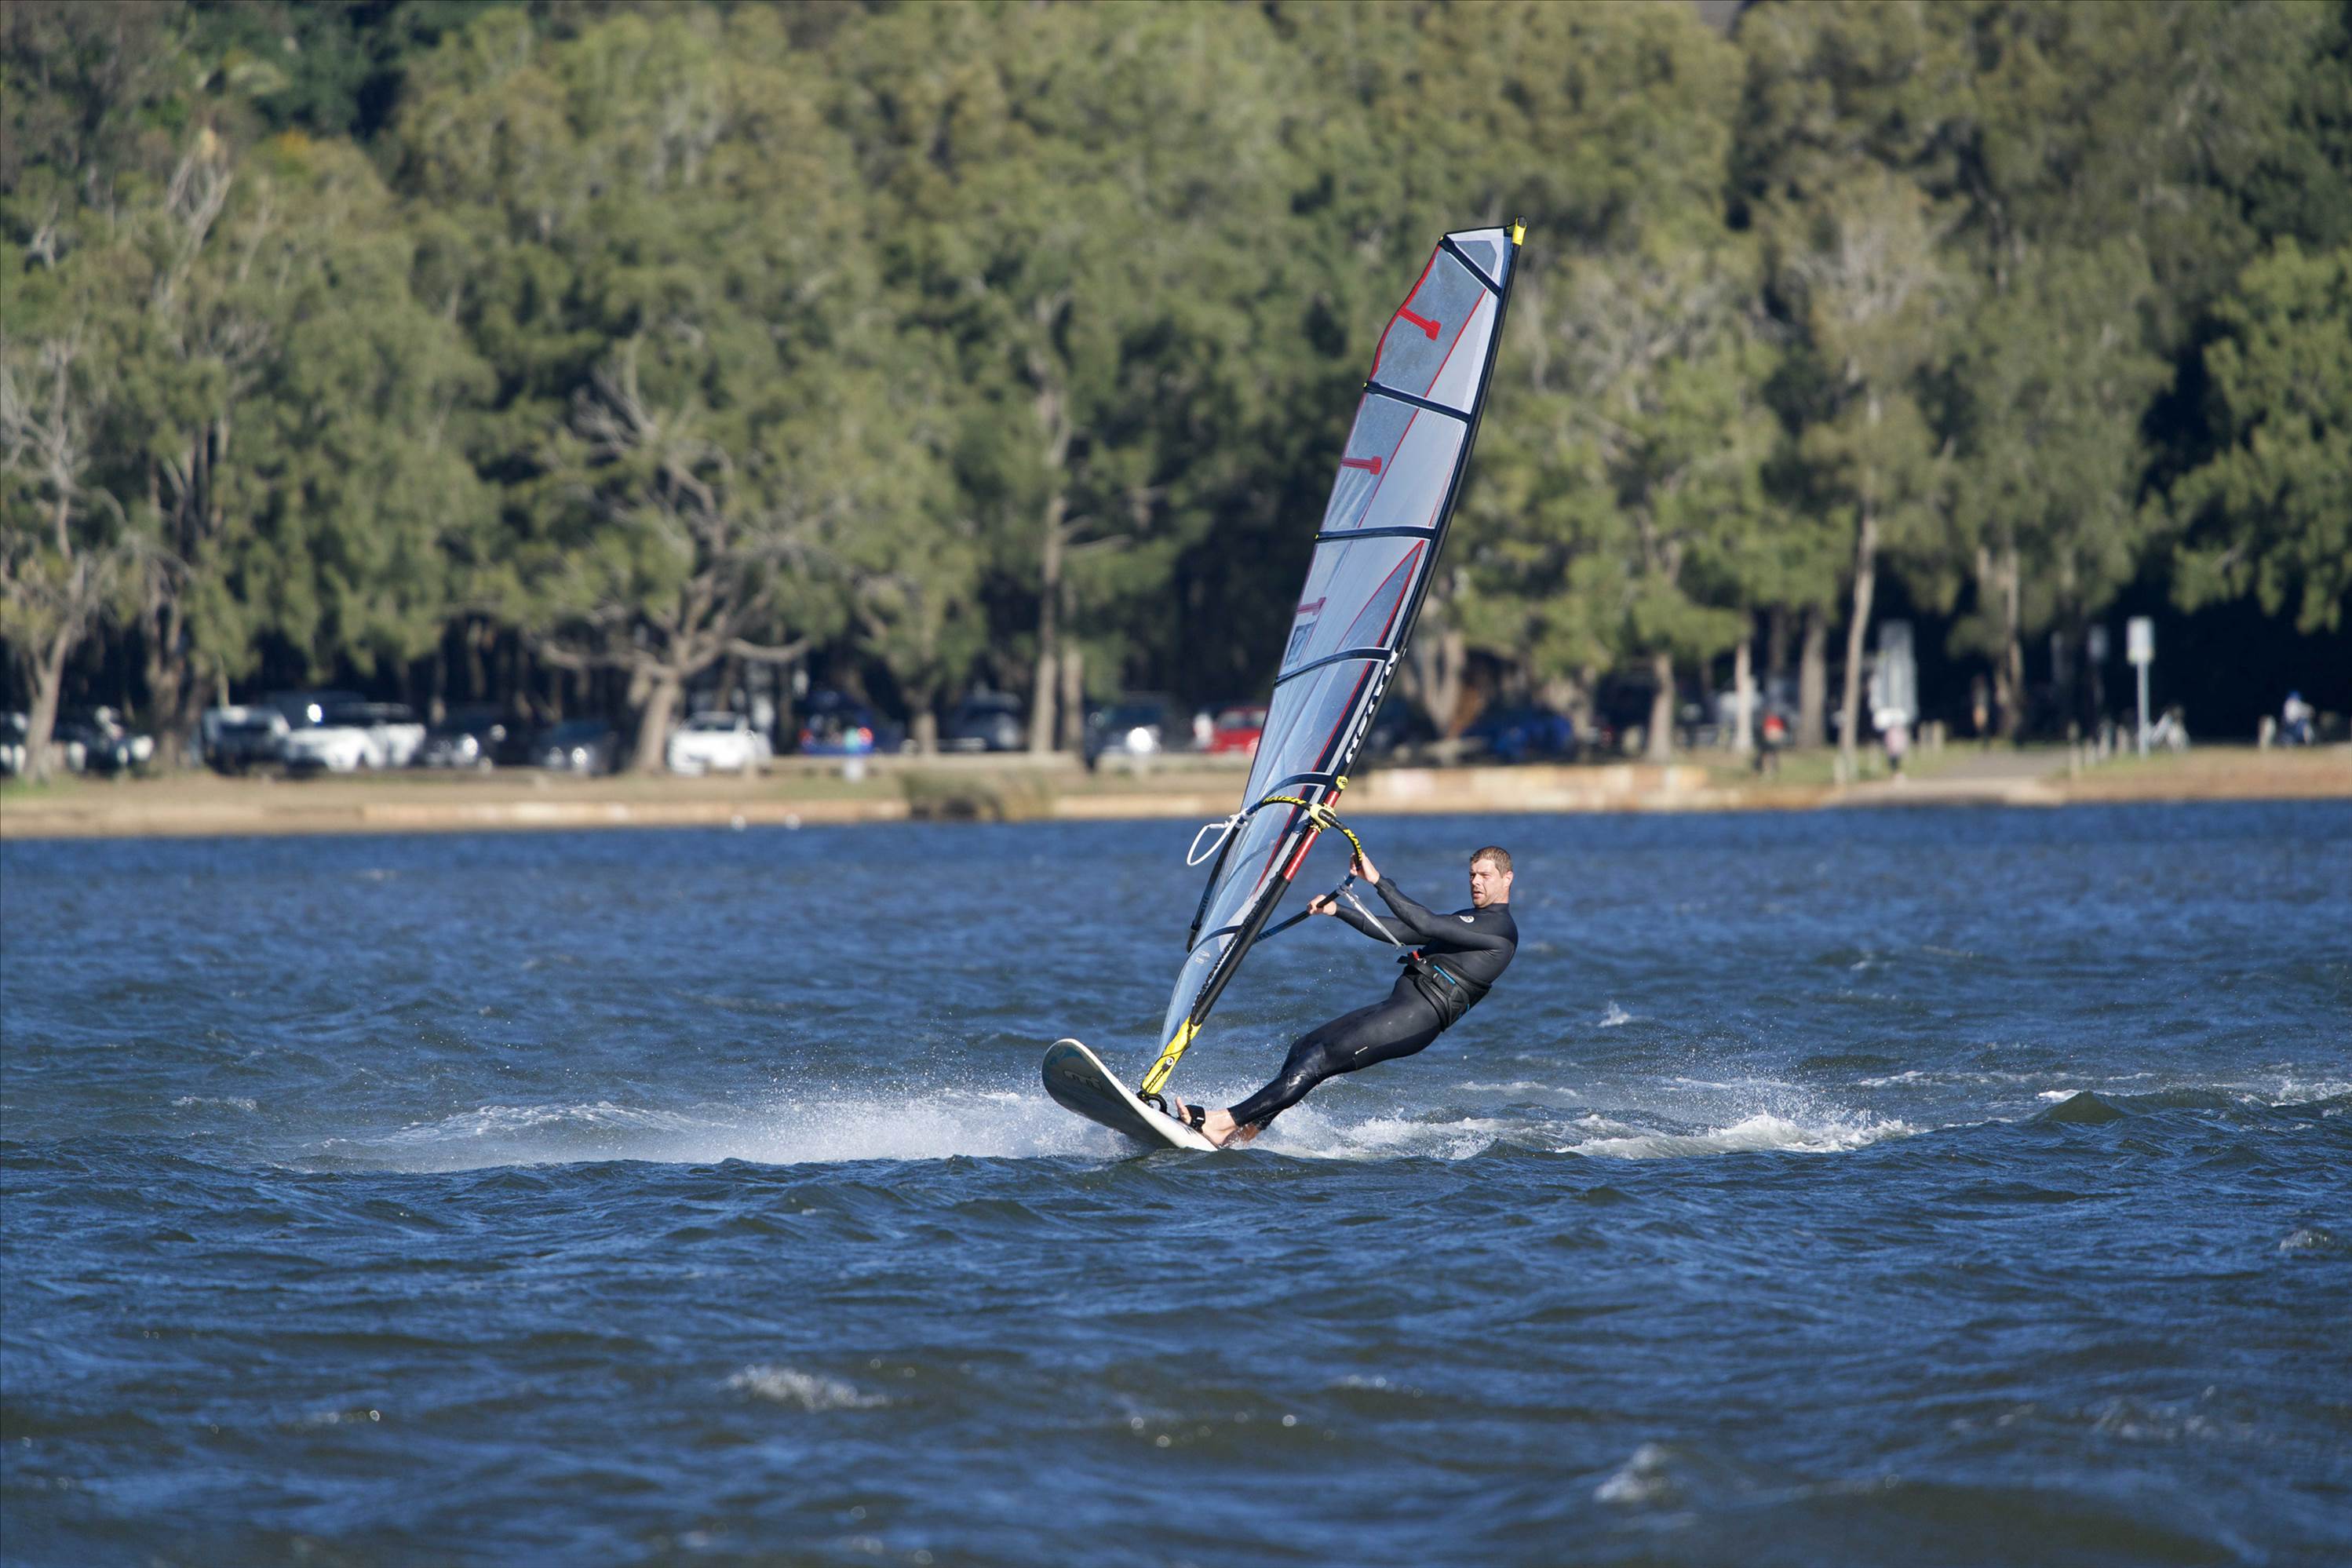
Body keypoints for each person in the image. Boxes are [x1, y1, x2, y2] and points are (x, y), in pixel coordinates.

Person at [1166, 846, 1519, 1147]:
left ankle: (1222, 1121)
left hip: (1417, 1019)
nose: (1475, 882)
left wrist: (1379, 881)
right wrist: (1339, 911)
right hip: (1399, 1007)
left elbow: (1425, 923)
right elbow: (1402, 930)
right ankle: (1247, 1131)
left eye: (1485, 876)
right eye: (1472, 874)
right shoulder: (1469, 919)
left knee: (1317, 1060)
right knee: (1304, 1047)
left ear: (1507, 879)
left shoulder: (1499, 928)